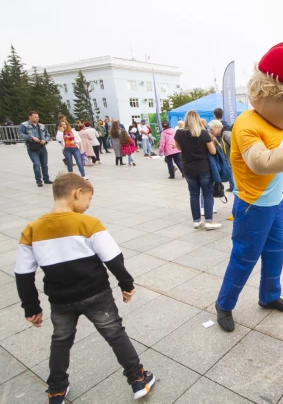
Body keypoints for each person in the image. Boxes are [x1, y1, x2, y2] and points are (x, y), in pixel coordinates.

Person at [14, 173, 155, 402]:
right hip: (96, 294)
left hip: (60, 300)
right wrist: (126, 285)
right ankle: (137, 378)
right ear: (77, 193)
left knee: (60, 341)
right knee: (115, 334)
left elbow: (23, 274)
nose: (88, 206)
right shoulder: (88, 224)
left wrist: (31, 307)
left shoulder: (31, 230)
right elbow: (113, 259)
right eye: (88, 199)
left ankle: (57, 389)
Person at [214, 42, 283, 333]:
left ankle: (269, 296)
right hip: (252, 206)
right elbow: (261, 162)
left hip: (274, 204)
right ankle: (224, 304)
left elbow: (280, 160)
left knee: (275, 252)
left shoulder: (278, 126)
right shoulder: (247, 123)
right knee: (245, 258)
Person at [174, 110, 221, 230]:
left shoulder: (179, 134)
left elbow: (179, 148)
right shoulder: (203, 133)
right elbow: (213, 151)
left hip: (188, 168)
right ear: (197, 119)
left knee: (193, 195)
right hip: (204, 168)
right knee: (207, 194)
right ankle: (209, 221)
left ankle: (196, 220)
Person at [18, 111, 53, 187]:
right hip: (32, 147)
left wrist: (46, 140)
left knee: (44, 164)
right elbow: (21, 134)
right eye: (35, 117)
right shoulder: (24, 125)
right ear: (30, 117)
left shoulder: (41, 126)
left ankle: (46, 179)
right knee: (37, 164)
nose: (37, 118)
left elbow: (47, 134)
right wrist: (31, 137)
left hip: (42, 146)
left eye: (37, 117)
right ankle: (39, 180)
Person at [208, 119, 234, 191]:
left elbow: (236, 145)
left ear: (217, 128)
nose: (210, 131)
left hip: (233, 162)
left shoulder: (226, 134)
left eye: (211, 129)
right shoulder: (223, 135)